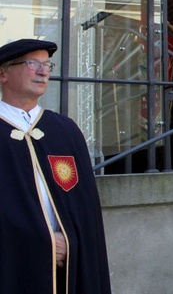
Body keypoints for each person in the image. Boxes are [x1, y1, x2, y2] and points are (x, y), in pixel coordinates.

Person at [0, 39, 111, 293]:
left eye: (47, 65)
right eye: (32, 64)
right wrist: (44, 242)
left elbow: (85, 208)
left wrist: (69, 240)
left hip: (67, 268)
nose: (43, 71)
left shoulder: (64, 130)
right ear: (3, 73)